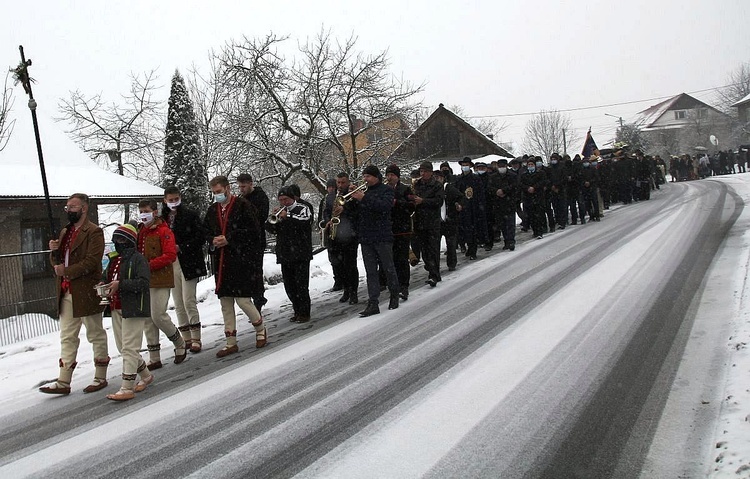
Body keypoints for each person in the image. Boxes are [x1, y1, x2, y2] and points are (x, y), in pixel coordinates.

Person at [40, 193, 109, 395]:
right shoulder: (65, 232)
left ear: (84, 208)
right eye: (67, 207)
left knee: (95, 332)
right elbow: (58, 261)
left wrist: (66, 271)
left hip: (86, 289)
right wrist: (53, 251)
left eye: (72, 207)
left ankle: (100, 375)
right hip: (66, 290)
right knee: (67, 335)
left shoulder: (94, 232)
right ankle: (64, 380)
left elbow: (92, 262)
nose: (69, 210)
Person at [204, 176, 267, 356]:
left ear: (227, 188)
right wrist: (212, 240)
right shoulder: (212, 210)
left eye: (219, 191)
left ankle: (260, 329)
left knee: (243, 300)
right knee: (225, 302)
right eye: (214, 193)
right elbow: (206, 231)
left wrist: (230, 238)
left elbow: (254, 230)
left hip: (240, 260)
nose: (217, 195)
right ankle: (230, 341)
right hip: (221, 262)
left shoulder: (243, 206)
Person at [100, 224, 155, 401]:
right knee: (122, 347)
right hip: (116, 307)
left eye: (122, 239)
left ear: (131, 241)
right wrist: (103, 285)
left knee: (130, 347)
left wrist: (121, 285)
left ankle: (126, 386)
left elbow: (144, 282)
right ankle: (146, 375)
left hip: (134, 307)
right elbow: (106, 277)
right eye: (116, 239)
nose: (118, 243)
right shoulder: (114, 260)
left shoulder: (138, 259)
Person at [137, 198, 187, 369]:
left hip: (161, 277)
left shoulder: (163, 230)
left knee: (158, 314)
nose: (144, 215)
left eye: (146, 211)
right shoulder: (140, 231)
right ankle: (154, 356)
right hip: (144, 279)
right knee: (147, 319)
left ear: (155, 212)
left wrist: (149, 265)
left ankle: (179, 342)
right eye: (141, 211)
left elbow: (170, 254)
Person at [348, 165, 400, 317]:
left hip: (382, 236)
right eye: (364, 176)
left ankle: (394, 294)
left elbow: (383, 207)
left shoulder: (386, 190)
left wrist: (363, 198)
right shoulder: (363, 193)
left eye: (368, 176)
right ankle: (373, 302)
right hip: (366, 237)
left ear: (376, 177)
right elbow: (355, 213)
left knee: (388, 267)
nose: (365, 179)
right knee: (371, 271)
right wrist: (350, 200)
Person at [162, 186, 207, 353]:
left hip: (188, 262)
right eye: (170, 200)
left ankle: (196, 338)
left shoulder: (190, 215)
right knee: (178, 303)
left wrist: (182, 246)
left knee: (189, 300)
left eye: (176, 199)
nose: (173, 202)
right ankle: (186, 338)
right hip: (171, 264)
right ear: (165, 200)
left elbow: (200, 237)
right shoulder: (162, 219)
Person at [265, 186, 314, 322]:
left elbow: (305, 223)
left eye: (286, 199)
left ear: (292, 198)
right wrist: (272, 219)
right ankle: (297, 310)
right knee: (290, 286)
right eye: (281, 200)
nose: (283, 202)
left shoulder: (302, 208)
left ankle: (304, 312)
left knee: (301, 285)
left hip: (300, 253)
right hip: (285, 254)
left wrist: (289, 216)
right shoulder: (281, 212)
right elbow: (270, 228)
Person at [325, 172, 361, 305]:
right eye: (338, 182)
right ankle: (346, 289)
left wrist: (344, 210)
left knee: (350, 265)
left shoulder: (353, 195)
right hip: (336, 235)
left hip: (350, 235)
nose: (340, 185)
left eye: (343, 182)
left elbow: (358, 213)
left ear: (348, 182)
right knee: (340, 266)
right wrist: (328, 220)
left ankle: (353, 292)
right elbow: (326, 212)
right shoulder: (330, 197)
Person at [237, 173, 270, 314]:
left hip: (256, 240)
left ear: (251, 184)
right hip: (244, 241)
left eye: (243, 186)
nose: (241, 189)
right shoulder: (241, 199)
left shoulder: (260, 197)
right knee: (247, 272)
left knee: (256, 271)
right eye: (239, 187)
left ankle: (258, 297)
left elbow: (260, 217)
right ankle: (253, 296)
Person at [382, 164, 414, 300]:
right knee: (391, 260)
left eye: (392, 175)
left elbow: (412, 207)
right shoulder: (383, 190)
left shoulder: (405, 189)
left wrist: (398, 203)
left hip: (402, 229)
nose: (389, 178)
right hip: (388, 230)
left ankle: (404, 286)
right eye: (388, 175)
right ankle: (393, 285)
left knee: (402, 259)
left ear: (397, 176)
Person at [411, 161, 445, 287]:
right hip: (420, 221)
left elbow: (438, 201)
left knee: (433, 249)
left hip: (432, 222)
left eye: (425, 171)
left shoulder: (436, 185)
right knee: (424, 250)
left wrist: (423, 201)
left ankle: (434, 275)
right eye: (421, 171)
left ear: (430, 172)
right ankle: (432, 270)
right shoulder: (417, 184)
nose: (423, 173)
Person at [454, 157, 486, 260]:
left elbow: (480, 194)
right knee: (464, 230)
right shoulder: (459, 179)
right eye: (463, 165)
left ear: (470, 165)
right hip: (462, 208)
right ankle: (468, 247)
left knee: (473, 230)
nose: (464, 167)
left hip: (473, 208)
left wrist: (479, 206)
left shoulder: (476, 179)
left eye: (466, 164)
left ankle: (473, 250)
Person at [434, 169, 464, 270]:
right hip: (437, 221)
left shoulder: (449, 188)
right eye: (434, 178)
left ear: (442, 179)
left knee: (451, 244)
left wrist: (458, 205)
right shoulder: (433, 189)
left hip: (449, 219)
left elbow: (460, 197)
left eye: (437, 178)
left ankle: (451, 263)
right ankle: (435, 265)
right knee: (435, 245)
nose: (436, 180)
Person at [487, 159, 518, 250]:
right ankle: (506, 241)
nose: (501, 168)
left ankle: (511, 241)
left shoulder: (512, 176)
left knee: (510, 223)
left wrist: (504, 191)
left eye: (503, 166)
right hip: (498, 203)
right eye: (500, 167)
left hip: (509, 203)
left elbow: (514, 186)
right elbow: (489, 188)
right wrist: (496, 191)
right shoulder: (493, 177)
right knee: (502, 224)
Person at [318, 178, 342, 292]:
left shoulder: (339, 198)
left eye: (333, 187)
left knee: (341, 258)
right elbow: (321, 215)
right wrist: (324, 224)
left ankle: (343, 280)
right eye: (329, 187)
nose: (331, 189)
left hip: (340, 232)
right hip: (329, 231)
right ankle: (337, 280)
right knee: (333, 259)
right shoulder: (325, 200)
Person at [520, 158, 548, 239]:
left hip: (538, 197)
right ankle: (535, 231)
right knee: (531, 216)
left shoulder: (540, 173)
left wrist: (534, 187)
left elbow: (543, 182)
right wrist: (527, 188)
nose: (530, 166)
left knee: (538, 215)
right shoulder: (524, 175)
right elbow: (521, 184)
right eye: (529, 165)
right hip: (528, 198)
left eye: (532, 165)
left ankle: (540, 231)